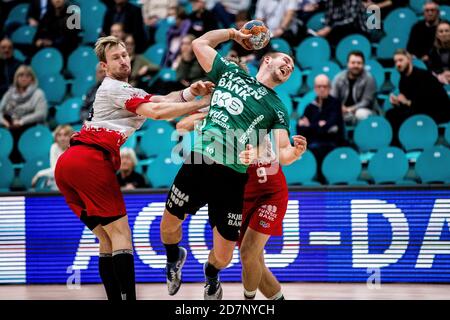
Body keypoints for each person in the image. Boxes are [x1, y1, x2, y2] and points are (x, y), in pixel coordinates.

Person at [54, 36, 213, 301]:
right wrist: (203, 104)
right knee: (122, 236)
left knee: (107, 240)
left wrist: (190, 92)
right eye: (116, 57)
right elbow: (159, 113)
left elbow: (162, 100)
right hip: (90, 161)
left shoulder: (126, 92)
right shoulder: (114, 88)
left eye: (125, 54)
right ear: (104, 67)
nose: (124, 60)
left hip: (69, 164)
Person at [160, 27, 307, 300]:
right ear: (266, 60)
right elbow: (199, 42)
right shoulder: (231, 71)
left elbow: (283, 153)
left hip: (233, 175)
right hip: (200, 161)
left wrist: (297, 152)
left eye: (292, 66)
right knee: (168, 226)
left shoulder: (277, 107)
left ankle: (211, 273)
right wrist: (233, 34)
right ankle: (173, 257)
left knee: (226, 256)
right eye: (284, 60)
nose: (289, 65)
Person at [386, 49, 450, 140]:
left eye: (401, 60)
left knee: (401, 117)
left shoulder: (424, 76)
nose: (398, 64)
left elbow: (426, 104)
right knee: (391, 113)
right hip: (418, 109)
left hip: (437, 111)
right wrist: (398, 103)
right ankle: (398, 147)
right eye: (395, 62)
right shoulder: (403, 80)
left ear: (409, 59)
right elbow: (409, 104)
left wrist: (406, 102)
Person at [298, 74, 344, 182]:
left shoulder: (335, 104)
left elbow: (330, 125)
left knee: (320, 148)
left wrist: (310, 126)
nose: (322, 89)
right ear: (315, 88)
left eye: (325, 86)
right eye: (319, 86)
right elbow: (300, 128)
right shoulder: (310, 106)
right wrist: (319, 125)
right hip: (313, 142)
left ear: (329, 87)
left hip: (332, 142)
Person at [0, 65, 48, 163]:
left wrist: (22, 121)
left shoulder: (38, 93)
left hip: (30, 126)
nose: (24, 78)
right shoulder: (9, 93)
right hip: (10, 125)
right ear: (16, 78)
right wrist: (3, 121)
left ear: (32, 78)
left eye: (27, 76)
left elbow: (41, 114)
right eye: (21, 75)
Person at [331, 51, 377, 125]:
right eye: (353, 63)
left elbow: (367, 101)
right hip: (343, 111)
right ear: (348, 64)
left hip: (363, 110)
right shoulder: (338, 78)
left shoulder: (369, 78)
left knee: (360, 114)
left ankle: (362, 136)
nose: (356, 65)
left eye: (359, 63)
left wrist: (350, 109)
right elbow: (332, 98)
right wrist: (340, 107)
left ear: (363, 65)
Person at [31, 124, 73, 190]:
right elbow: (55, 170)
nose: (62, 138)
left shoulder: (75, 148)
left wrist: (39, 174)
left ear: (70, 136)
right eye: (59, 135)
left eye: (65, 135)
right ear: (56, 137)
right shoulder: (54, 147)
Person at [428, 21, 450, 85]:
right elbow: (431, 69)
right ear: (437, 35)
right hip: (440, 80)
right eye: (441, 31)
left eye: (447, 31)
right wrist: (441, 75)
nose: (444, 33)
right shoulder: (433, 51)